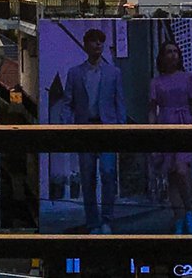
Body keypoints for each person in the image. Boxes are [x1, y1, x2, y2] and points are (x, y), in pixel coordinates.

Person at [61, 27, 127, 233]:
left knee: (108, 173)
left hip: (107, 128)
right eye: (93, 40)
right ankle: (92, 222)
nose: (98, 44)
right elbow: (67, 103)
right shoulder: (75, 73)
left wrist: (121, 129)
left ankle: (106, 219)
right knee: (87, 177)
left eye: (101, 41)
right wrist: (66, 128)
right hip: (85, 128)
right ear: (85, 45)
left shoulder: (113, 73)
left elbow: (120, 103)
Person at [148, 40, 192, 234]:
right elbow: (152, 109)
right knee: (171, 175)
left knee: (181, 170)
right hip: (165, 125)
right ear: (162, 57)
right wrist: (152, 132)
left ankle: (188, 213)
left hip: (184, 124)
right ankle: (179, 219)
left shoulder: (188, 78)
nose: (172, 55)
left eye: (175, 52)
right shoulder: (156, 82)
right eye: (168, 52)